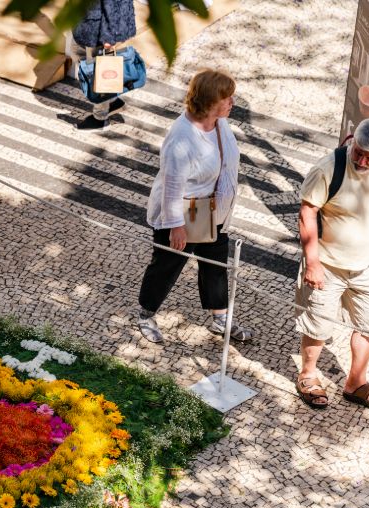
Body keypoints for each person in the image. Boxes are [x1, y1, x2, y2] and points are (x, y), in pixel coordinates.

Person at [294, 117, 369, 411]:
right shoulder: (328, 169)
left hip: (368, 265)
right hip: (327, 263)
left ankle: (356, 382)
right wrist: (312, 262)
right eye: (358, 151)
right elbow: (307, 214)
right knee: (317, 324)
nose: (362, 160)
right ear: (352, 139)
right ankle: (307, 375)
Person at [136, 69, 249, 344]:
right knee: (167, 264)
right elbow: (173, 186)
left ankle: (220, 317)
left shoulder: (218, 122)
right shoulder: (182, 138)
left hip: (213, 208)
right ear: (211, 102)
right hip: (186, 211)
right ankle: (145, 313)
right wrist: (176, 226)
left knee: (214, 263)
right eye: (227, 98)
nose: (232, 102)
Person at [72, 0, 136, 131]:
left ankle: (100, 119)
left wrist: (108, 37)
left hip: (97, 27)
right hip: (90, 20)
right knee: (87, 60)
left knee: (97, 71)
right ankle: (112, 102)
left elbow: (112, 4)